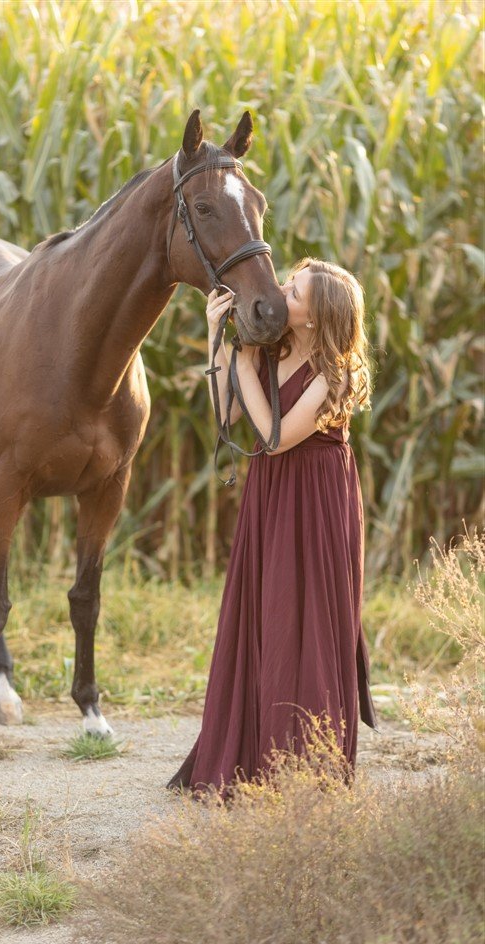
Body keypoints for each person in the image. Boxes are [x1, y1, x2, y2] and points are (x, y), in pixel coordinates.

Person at [167, 258, 378, 797]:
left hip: (317, 497)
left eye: (295, 291)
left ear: (317, 315)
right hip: (271, 492)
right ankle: (248, 750)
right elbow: (229, 417)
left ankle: (306, 763)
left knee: (308, 615)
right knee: (265, 608)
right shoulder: (272, 347)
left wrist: (242, 367)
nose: (282, 292)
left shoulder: (339, 373)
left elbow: (277, 436)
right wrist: (220, 341)